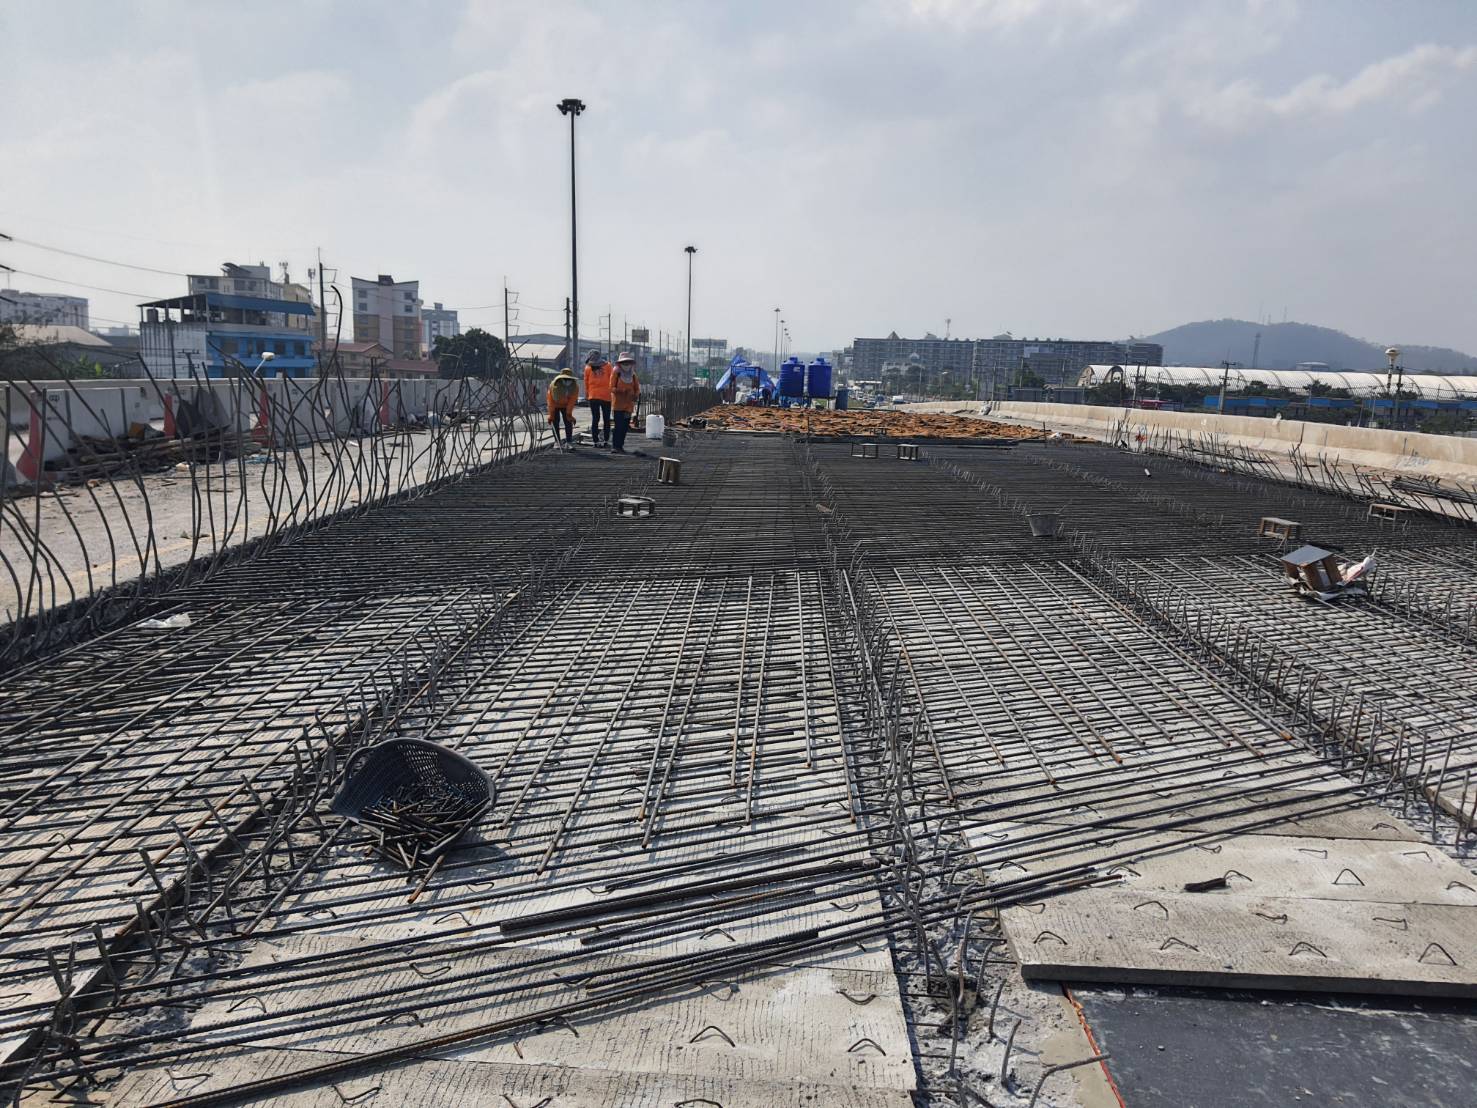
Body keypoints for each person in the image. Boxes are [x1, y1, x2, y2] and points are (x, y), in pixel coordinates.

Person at [609, 351, 641, 453]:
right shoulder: (616, 373)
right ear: (620, 363)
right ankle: (615, 446)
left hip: (629, 406)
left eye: (628, 363)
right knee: (618, 426)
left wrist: (635, 395)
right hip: (618, 405)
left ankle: (620, 446)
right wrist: (621, 391)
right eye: (624, 363)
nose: (626, 365)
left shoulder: (633, 375)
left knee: (624, 427)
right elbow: (611, 388)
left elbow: (637, 388)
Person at [583, 350, 613, 446]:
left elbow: (586, 383)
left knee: (595, 418)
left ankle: (595, 441)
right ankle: (606, 441)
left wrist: (587, 395)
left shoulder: (588, 368)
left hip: (593, 396)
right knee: (606, 419)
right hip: (606, 396)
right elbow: (612, 379)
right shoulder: (608, 365)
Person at [546, 366, 580, 451]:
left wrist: (569, 414)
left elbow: (572, 401)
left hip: (566, 405)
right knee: (555, 422)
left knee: (568, 422)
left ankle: (569, 442)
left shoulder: (575, 387)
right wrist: (551, 414)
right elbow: (550, 400)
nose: (567, 381)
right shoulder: (554, 385)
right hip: (555, 405)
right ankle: (557, 442)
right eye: (565, 379)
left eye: (568, 379)